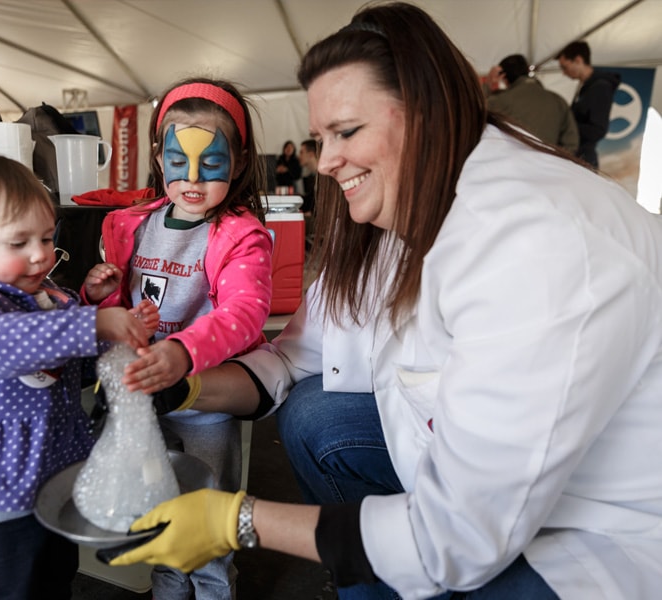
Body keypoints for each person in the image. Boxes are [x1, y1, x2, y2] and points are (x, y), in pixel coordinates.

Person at [109, 3, 662, 599]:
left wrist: (235, 521)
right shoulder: (395, 220)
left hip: (589, 535)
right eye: (322, 138)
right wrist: (182, 386)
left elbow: (457, 536)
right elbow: (293, 358)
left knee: (456, 553)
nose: (326, 161)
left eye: (347, 132)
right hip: (473, 482)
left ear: (428, 113)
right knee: (315, 412)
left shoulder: (534, 243)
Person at [0, 153, 159, 600]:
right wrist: (94, 324)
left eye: (46, 237)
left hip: (53, 471)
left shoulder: (46, 294)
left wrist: (108, 318)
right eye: (18, 243)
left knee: (54, 575)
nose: (41, 254)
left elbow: (69, 362)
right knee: (12, 586)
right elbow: (4, 345)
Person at [81, 77, 273, 600]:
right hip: (143, 404)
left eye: (209, 165)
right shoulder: (128, 226)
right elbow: (118, 311)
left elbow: (245, 312)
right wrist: (101, 295)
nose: (191, 179)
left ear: (237, 160)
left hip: (203, 404)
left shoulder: (240, 236)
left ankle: (213, 591)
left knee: (207, 514)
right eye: (178, 162)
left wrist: (184, 352)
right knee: (157, 510)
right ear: (160, 158)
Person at [483, 54, 579, 154]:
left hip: (513, 164)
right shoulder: (558, 101)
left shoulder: (499, 101)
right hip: (549, 164)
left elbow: (475, 113)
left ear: (504, 77)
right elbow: (571, 143)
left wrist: (488, 85)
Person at [556, 40, 621, 168]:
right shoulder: (586, 87)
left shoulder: (600, 87)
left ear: (578, 60)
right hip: (576, 156)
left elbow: (598, 129)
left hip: (584, 160)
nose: (564, 73)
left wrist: (567, 126)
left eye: (565, 67)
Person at [298, 138, 319, 214]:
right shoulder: (314, 175)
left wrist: (312, 212)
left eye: (301, 152)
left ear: (311, 154)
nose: (299, 156)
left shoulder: (324, 177)